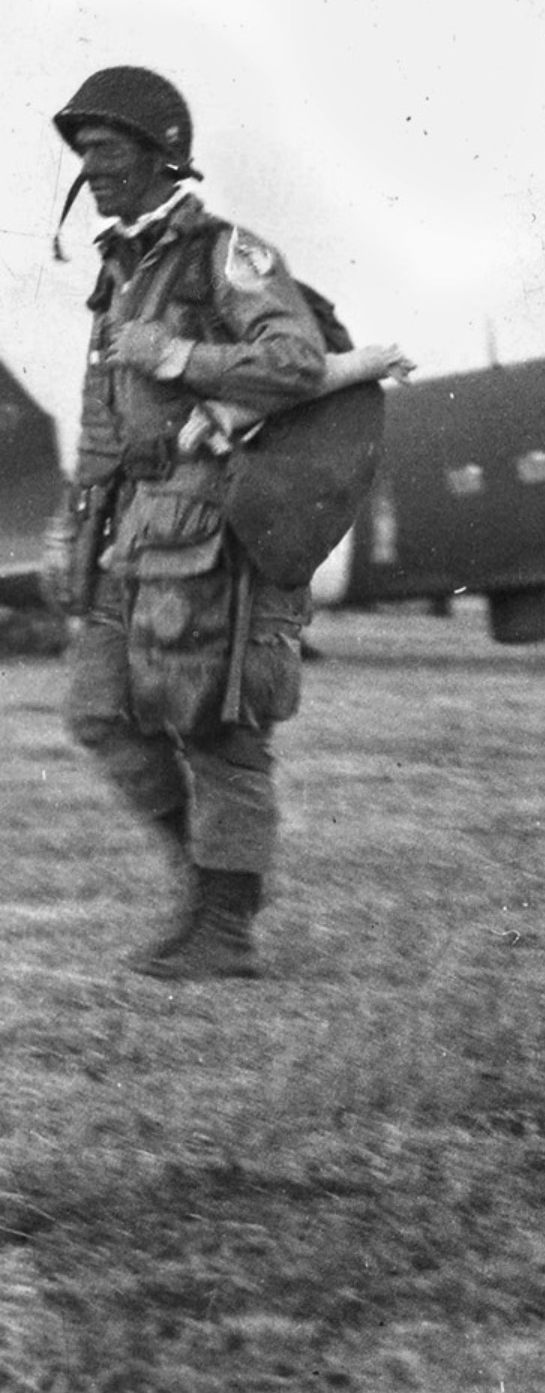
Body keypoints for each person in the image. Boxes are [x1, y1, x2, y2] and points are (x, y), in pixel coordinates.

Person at [46, 65, 329, 980]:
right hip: (129, 525)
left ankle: (226, 929)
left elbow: (296, 362)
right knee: (99, 713)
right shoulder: (120, 268)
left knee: (217, 730)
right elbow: (102, 414)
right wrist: (70, 519)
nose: (94, 168)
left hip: (209, 526)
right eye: (85, 152)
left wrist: (177, 352)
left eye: (110, 149)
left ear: (164, 155)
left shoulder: (227, 253)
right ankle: (197, 885)